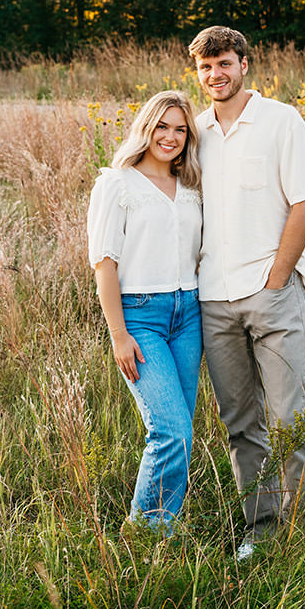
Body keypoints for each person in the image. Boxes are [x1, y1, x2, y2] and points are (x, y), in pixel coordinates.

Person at [190, 26, 305, 559]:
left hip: (271, 294)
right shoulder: (194, 131)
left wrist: (277, 278)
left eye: (224, 63)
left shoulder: (281, 120)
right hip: (213, 299)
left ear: (244, 64)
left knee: (291, 418)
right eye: (205, 67)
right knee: (241, 424)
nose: (215, 75)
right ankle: (262, 531)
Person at [85, 90, 204, 531]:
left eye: (180, 130)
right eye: (162, 127)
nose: (170, 137)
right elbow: (104, 263)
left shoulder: (192, 187)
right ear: (146, 128)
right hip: (141, 317)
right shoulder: (117, 184)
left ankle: (164, 528)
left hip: (189, 315)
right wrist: (119, 335)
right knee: (169, 430)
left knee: (183, 432)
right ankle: (145, 533)